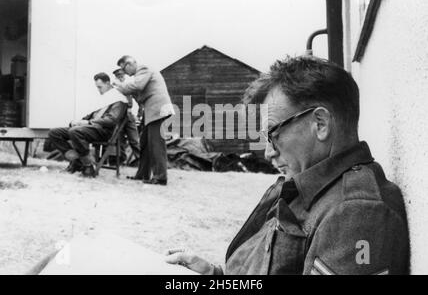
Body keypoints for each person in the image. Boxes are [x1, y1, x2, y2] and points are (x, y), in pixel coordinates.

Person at [165, 56, 410, 275]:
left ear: (320, 123)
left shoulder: (357, 213)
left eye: (273, 134)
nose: (268, 152)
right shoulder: (310, 186)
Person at [48, 73, 128, 178]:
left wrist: (88, 123)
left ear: (108, 83)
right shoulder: (105, 98)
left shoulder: (118, 99)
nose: (99, 90)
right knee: (54, 133)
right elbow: (91, 115)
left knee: (75, 131)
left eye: (100, 87)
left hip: (103, 131)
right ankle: (77, 160)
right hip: (90, 129)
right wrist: (78, 121)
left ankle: (88, 165)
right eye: (97, 87)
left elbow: (111, 120)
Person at [113, 56, 174, 186]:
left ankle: (160, 177)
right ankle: (143, 174)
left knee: (156, 143)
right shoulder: (140, 74)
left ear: (129, 64)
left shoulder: (143, 69)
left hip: (157, 109)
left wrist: (120, 86)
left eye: (124, 69)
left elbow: (137, 86)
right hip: (151, 110)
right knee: (145, 143)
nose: (125, 73)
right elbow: (140, 95)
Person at [112, 68, 141, 165]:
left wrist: (139, 113)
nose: (121, 78)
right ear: (116, 77)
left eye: (122, 76)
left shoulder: (129, 85)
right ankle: (120, 161)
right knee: (119, 140)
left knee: (134, 140)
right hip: (118, 116)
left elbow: (137, 99)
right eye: (119, 76)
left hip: (129, 116)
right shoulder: (114, 87)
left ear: (125, 76)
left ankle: (142, 161)